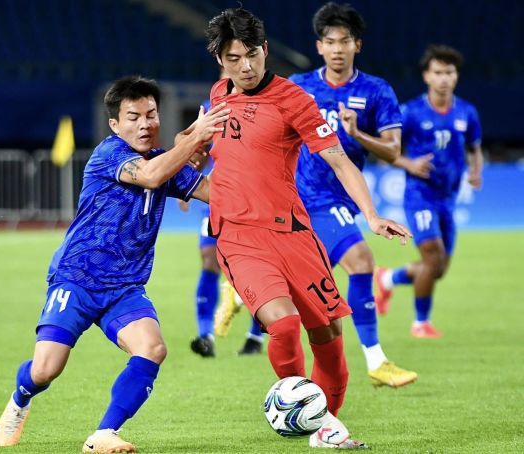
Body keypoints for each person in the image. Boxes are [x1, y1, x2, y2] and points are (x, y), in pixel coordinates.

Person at [205, 7, 410, 449]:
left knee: (330, 340)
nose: (244, 66)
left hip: (295, 235)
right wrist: (188, 165)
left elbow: (339, 160)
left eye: (251, 55)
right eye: (232, 58)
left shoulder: (293, 99)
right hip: (241, 236)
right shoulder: (218, 94)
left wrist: (372, 216)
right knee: (283, 326)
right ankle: (312, 419)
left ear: (264, 50)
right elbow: (210, 146)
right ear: (220, 60)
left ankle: (326, 422)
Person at [0, 75, 230, 453]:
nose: (145, 123)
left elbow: (215, 194)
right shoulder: (110, 155)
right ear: (115, 125)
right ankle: (20, 399)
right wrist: (194, 140)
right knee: (45, 370)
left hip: (125, 288)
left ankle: (104, 433)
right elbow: (151, 177)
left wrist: (236, 156)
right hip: (77, 279)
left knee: (152, 349)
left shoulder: (165, 162)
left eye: (151, 114)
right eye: (133, 116)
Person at [284, 2, 417, 388]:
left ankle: (240, 294)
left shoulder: (376, 91)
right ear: (319, 46)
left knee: (306, 284)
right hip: (305, 195)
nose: (337, 48)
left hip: (343, 197)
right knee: (361, 262)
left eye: (345, 41)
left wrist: (358, 134)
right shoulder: (298, 86)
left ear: (357, 45)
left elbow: (393, 151)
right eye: (330, 41)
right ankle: (376, 362)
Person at [374, 45, 483, 338]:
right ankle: (420, 323)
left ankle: (388, 279)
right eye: (438, 72)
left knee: (438, 269)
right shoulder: (411, 112)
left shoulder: (466, 111)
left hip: (448, 197)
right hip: (420, 195)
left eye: (449, 72)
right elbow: (387, 150)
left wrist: (476, 170)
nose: (444, 78)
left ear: (456, 75)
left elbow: (475, 147)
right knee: (432, 259)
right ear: (427, 76)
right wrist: (408, 163)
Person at [186, 99, 265, 358]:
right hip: (218, 198)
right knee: (209, 260)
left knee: (258, 270)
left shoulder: (268, 104)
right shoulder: (214, 104)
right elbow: (188, 141)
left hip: (258, 199)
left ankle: (254, 336)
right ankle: (206, 334)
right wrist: (182, 181)